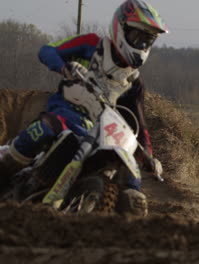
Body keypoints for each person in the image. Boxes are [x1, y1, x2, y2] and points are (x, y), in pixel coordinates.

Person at [0, 0, 168, 216]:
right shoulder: (92, 45)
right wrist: (65, 67)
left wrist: (150, 157)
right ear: (121, 28)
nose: (142, 46)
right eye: (138, 38)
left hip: (101, 131)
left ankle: (123, 228)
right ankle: (6, 168)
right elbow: (47, 51)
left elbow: (140, 124)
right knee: (44, 130)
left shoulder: (133, 82)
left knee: (132, 176)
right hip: (65, 115)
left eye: (147, 41)